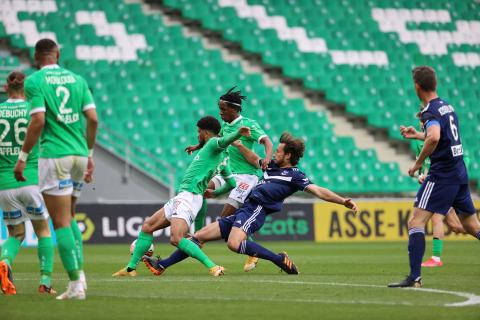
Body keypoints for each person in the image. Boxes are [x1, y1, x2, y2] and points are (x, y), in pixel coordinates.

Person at [143, 132, 358, 276]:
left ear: (289, 155)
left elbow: (318, 190)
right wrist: (238, 144)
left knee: (234, 244)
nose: (275, 153)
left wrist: (342, 201)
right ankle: (162, 266)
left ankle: (278, 259)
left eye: (279, 151)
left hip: (257, 210)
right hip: (246, 208)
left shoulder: (295, 175)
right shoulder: (271, 166)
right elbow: (255, 159)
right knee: (198, 237)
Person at [13, 39, 98, 299]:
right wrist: (90, 153)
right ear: (58, 54)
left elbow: (38, 120)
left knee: (60, 221)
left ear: (36, 56)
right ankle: (80, 276)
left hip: (55, 156)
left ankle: (75, 284)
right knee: (70, 214)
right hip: (80, 155)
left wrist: (23, 156)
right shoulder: (77, 79)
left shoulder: (35, 81)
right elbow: (93, 119)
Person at [112, 116, 250, 277]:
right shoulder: (222, 159)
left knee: (176, 238)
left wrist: (238, 133)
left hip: (189, 196)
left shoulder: (213, 143)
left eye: (199, 132)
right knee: (147, 226)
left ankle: (213, 267)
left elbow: (223, 141)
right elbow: (232, 183)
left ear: (205, 132)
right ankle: (130, 268)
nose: (197, 135)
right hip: (184, 196)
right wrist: (215, 193)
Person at [389, 66, 480, 288]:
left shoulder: (429, 111)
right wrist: (417, 134)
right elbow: (439, 135)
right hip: (459, 172)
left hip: (442, 174)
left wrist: (418, 163)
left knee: (415, 222)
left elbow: (434, 138)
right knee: (471, 226)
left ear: (417, 86)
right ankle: (415, 276)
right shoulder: (446, 106)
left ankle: (414, 278)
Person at [185, 87, 273, 272]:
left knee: (225, 218)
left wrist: (266, 157)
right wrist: (197, 146)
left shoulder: (249, 124)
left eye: (223, 109)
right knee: (199, 188)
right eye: (219, 108)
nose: (220, 112)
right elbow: (214, 141)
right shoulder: (225, 127)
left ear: (234, 109)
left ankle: (252, 251)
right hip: (226, 172)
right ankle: (197, 236)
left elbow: (267, 141)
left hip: (246, 177)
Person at [0, 71, 55, 295]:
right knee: (43, 231)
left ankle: (4, 260)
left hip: (4, 183)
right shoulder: (33, 110)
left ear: (5, 88)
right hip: (30, 179)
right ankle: (45, 282)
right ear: (26, 89)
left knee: (16, 234)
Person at [411, 114, 468, 267]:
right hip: (434, 183)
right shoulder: (420, 142)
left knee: (436, 217)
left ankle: (436, 258)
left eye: (424, 121)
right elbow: (421, 165)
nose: (422, 123)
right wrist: (420, 175)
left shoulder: (445, 138)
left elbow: (464, 158)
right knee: (456, 226)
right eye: (421, 121)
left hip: (445, 182)